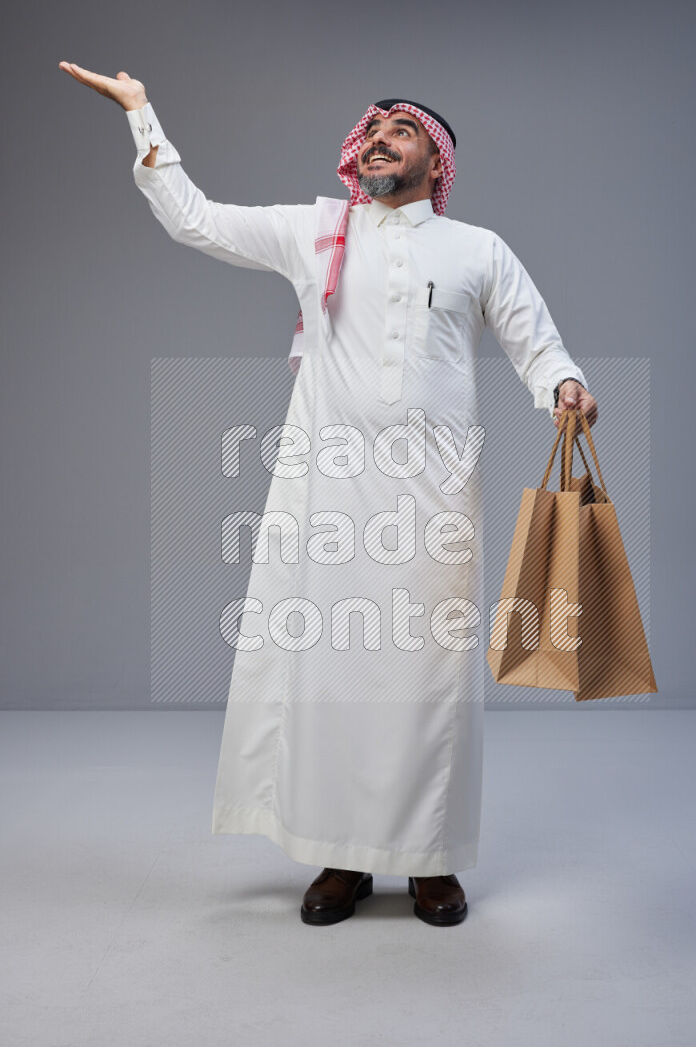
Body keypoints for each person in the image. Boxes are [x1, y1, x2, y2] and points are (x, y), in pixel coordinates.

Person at [59, 62, 598, 928]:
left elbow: (538, 342)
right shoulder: (318, 232)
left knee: (428, 678)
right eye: (371, 130)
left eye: (401, 131)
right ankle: (343, 856)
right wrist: (140, 114)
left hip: (433, 496)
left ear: (437, 159)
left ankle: (431, 861)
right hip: (329, 493)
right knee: (334, 671)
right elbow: (195, 218)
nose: (378, 138)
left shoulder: (478, 250)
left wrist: (565, 386)